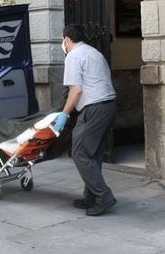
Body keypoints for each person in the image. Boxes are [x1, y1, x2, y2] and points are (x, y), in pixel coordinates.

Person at [52, 24, 117, 216]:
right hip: (108, 105)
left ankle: (103, 196)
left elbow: (76, 90)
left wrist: (64, 113)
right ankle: (91, 197)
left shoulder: (73, 56)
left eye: (62, 40)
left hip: (94, 107)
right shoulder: (94, 53)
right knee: (93, 153)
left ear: (67, 39)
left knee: (79, 152)